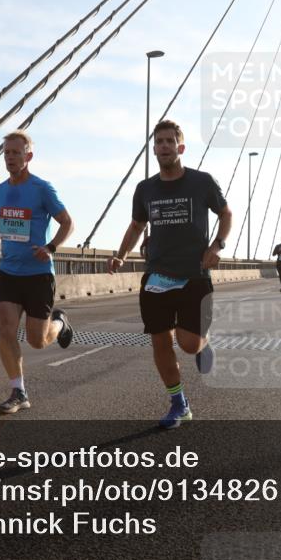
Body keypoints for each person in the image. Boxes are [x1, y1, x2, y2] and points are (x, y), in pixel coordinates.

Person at [108, 119, 232, 429]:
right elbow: (137, 225)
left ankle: (203, 342)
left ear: (181, 147)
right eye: (159, 142)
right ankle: (179, 403)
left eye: (169, 141)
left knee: (188, 343)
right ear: (154, 149)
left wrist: (217, 245)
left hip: (194, 274)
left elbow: (225, 213)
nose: (164, 146)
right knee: (160, 341)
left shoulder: (201, 182)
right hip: (157, 276)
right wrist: (121, 255)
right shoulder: (145, 189)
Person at [0, 129, 75, 415]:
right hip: (9, 271)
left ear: (28, 156)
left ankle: (60, 324)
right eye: (6, 152)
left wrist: (51, 246)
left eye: (16, 152)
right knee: (6, 330)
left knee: (37, 340)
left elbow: (67, 222)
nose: (10, 157)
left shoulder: (42, 189)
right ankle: (18, 391)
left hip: (39, 274)